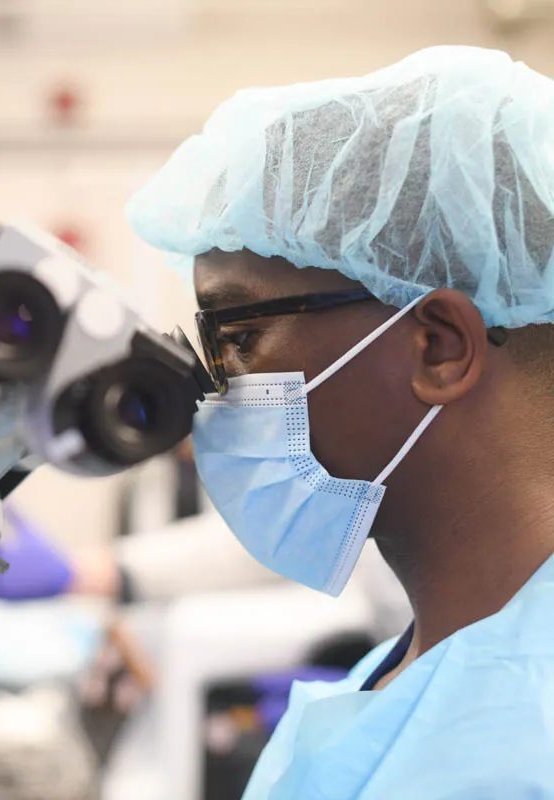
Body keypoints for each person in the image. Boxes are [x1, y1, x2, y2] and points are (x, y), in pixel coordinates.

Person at [124, 45, 554, 798]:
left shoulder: (524, 739)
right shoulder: (408, 674)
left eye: (238, 335)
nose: (215, 390)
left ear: (439, 347)